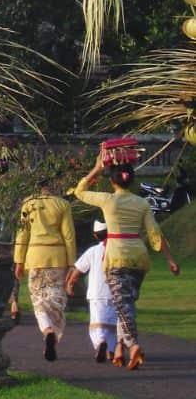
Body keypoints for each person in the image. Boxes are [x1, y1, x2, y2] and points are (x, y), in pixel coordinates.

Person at [74, 151, 180, 369]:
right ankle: (120, 348)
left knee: (123, 305)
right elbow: (155, 234)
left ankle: (133, 346)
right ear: (132, 180)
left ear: (112, 181)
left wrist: (97, 168)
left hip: (116, 257)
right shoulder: (142, 204)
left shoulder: (108, 200)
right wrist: (169, 259)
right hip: (139, 257)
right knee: (125, 304)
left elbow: (79, 191)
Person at [14, 177, 76, 362]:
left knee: (39, 300)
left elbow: (22, 233)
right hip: (58, 257)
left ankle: (47, 330)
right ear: (54, 186)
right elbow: (69, 236)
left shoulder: (28, 204)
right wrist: (72, 263)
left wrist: (18, 260)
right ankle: (53, 336)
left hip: (35, 256)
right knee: (56, 300)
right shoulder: (62, 204)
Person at [66, 220, 117, 363]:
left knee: (97, 322)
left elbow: (78, 270)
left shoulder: (93, 251)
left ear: (95, 236)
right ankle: (111, 352)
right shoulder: (118, 249)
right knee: (113, 323)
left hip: (96, 293)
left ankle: (100, 342)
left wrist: (70, 284)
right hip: (115, 292)